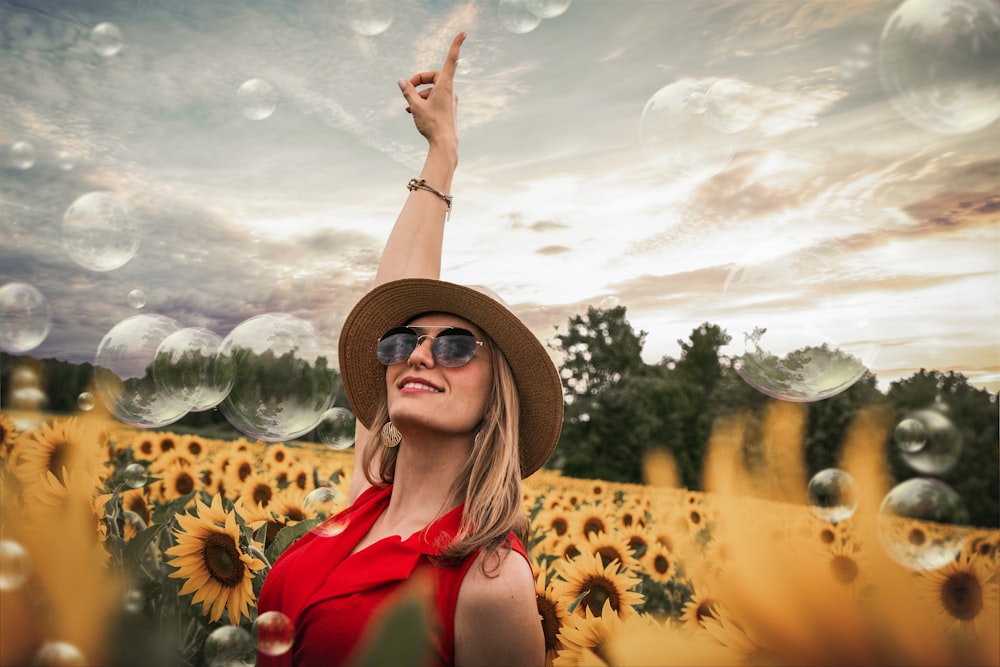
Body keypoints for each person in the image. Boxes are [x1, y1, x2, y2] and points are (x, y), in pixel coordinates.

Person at [257, 33, 564, 667]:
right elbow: (395, 290)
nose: (418, 355)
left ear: (495, 397)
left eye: (454, 346)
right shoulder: (366, 501)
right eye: (404, 341)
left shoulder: (488, 580)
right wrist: (442, 154)